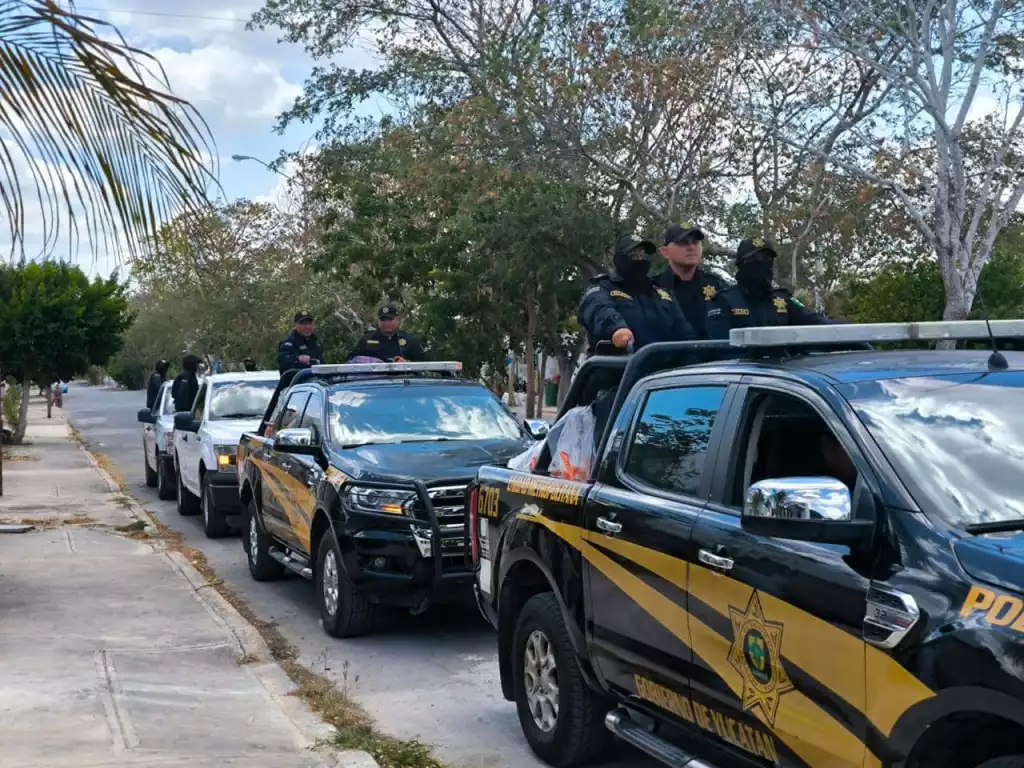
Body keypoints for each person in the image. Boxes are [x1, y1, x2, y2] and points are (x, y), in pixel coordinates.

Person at [577, 233, 695, 353]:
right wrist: (617, 329)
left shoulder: (661, 293)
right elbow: (598, 308)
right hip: (619, 368)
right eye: (634, 255)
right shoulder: (602, 287)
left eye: (643, 255)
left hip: (663, 369)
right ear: (619, 258)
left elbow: (685, 335)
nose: (640, 259)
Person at [712, 236, 832, 335]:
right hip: (742, 363)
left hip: (781, 363)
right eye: (754, 259)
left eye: (766, 259)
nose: (761, 264)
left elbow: (817, 322)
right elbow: (719, 348)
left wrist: (849, 329)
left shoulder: (783, 299)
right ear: (740, 264)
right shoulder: (725, 300)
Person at [654, 222, 731, 340]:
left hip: (713, 356)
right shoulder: (653, 287)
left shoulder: (718, 285)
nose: (691, 247)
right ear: (665, 251)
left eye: (695, 242)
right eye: (683, 243)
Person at [349, 305, 426, 361]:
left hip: (403, 381)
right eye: (383, 319)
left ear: (397, 320)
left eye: (390, 319)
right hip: (374, 381)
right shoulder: (367, 339)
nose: (386, 323)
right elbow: (352, 360)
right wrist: (370, 361)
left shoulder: (410, 340)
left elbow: (425, 364)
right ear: (378, 321)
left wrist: (406, 363)